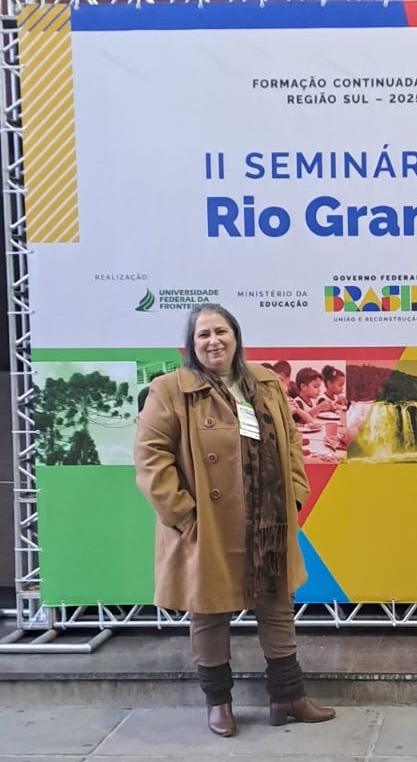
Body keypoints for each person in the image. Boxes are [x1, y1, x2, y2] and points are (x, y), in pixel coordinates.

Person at [134, 303, 335, 738]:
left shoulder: (264, 382)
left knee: (277, 604)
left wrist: (295, 494)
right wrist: (184, 515)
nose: (214, 341)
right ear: (191, 344)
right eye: (203, 334)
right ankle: (218, 703)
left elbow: (293, 442)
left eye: (221, 332)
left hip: (269, 517)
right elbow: (151, 459)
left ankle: (288, 695)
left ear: (236, 336)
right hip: (207, 523)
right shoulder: (170, 390)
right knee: (208, 612)